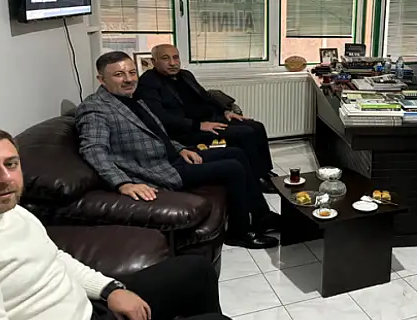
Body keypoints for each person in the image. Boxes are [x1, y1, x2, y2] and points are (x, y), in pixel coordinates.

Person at [0, 126, 244, 320]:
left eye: (11, 164)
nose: (5, 178)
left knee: (195, 270)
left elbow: (55, 258)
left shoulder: (12, 212)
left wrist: (110, 290)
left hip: (88, 311)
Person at [76, 51, 278, 249]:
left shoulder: (133, 98)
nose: (129, 79)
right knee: (232, 168)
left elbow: (158, 133)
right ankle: (240, 233)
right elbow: (93, 150)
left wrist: (180, 149)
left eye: (132, 72)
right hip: (154, 170)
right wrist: (123, 183)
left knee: (237, 153)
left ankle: (262, 215)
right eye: (119, 74)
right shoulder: (95, 108)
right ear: (101, 79)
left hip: (171, 157)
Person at [136, 44, 276, 192]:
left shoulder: (185, 75)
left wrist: (225, 111)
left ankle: (264, 172)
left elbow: (206, 96)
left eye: (175, 57)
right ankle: (256, 179)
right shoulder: (148, 82)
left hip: (210, 119)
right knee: (245, 133)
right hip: (188, 129)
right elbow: (160, 117)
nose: (172, 63)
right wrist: (199, 125)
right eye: (166, 58)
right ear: (154, 61)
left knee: (257, 126)